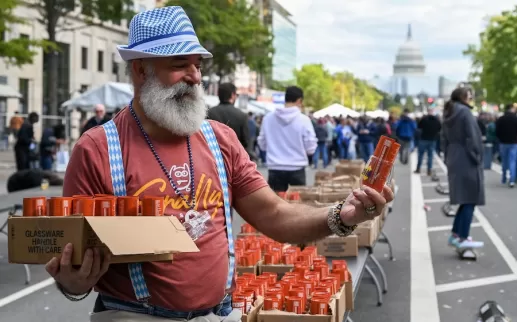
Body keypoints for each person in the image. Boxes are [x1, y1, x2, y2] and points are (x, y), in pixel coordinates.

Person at [45, 7, 393, 321]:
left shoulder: (219, 138)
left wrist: (341, 216)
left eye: (197, 65)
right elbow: (70, 258)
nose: (195, 77)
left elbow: (274, 213)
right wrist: (73, 282)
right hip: (134, 316)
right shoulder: (97, 148)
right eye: (179, 65)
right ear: (140, 70)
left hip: (218, 314)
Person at [442, 87, 484, 249]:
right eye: (470, 95)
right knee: (470, 198)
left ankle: (456, 234)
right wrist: (477, 157)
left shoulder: (449, 112)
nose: (471, 98)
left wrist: (447, 157)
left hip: (454, 156)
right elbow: (474, 138)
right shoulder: (465, 113)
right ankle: (462, 236)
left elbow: (443, 139)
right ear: (464, 97)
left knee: (463, 198)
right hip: (466, 158)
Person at [257, 86, 318, 192]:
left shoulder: (268, 119)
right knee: (297, 205)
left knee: (276, 206)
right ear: (299, 100)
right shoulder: (304, 120)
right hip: (297, 168)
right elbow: (311, 147)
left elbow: (262, 143)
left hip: (275, 168)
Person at [207, 83, 249, 153]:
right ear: (232, 95)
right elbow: (245, 142)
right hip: (234, 158)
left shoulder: (209, 113)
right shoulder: (242, 116)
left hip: (213, 157)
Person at [495, 104, 517, 187]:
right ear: (511, 109)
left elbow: (497, 131)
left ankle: (504, 178)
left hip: (503, 142)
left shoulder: (501, 119)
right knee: (512, 161)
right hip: (514, 143)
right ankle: (512, 180)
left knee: (504, 161)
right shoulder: (515, 119)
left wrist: (500, 138)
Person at [415, 107, 441, 175]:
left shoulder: (424, 119)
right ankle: (429, 170)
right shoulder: (437, 120)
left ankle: (418, 168)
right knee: (430, 156)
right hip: (432, 140)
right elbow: (439, 128)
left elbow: (419, 127)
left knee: (420, 155)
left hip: (423, 139)